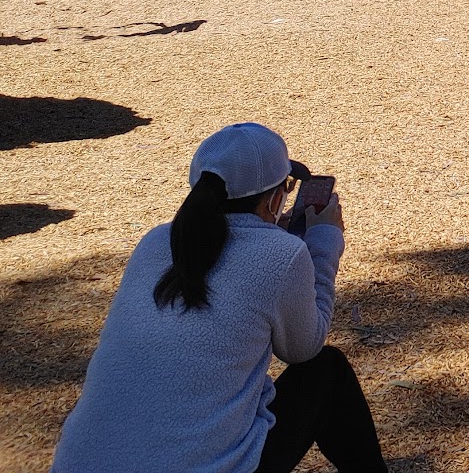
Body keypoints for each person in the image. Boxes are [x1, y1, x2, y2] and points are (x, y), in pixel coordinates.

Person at [50, 121, 386, 473]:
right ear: (274, 200)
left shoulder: (154, 243)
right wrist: (324, 239)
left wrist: (276, 237)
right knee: (325, 370)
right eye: (287, 187)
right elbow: (303, 348)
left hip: (80, 463)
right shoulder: (281, 255)